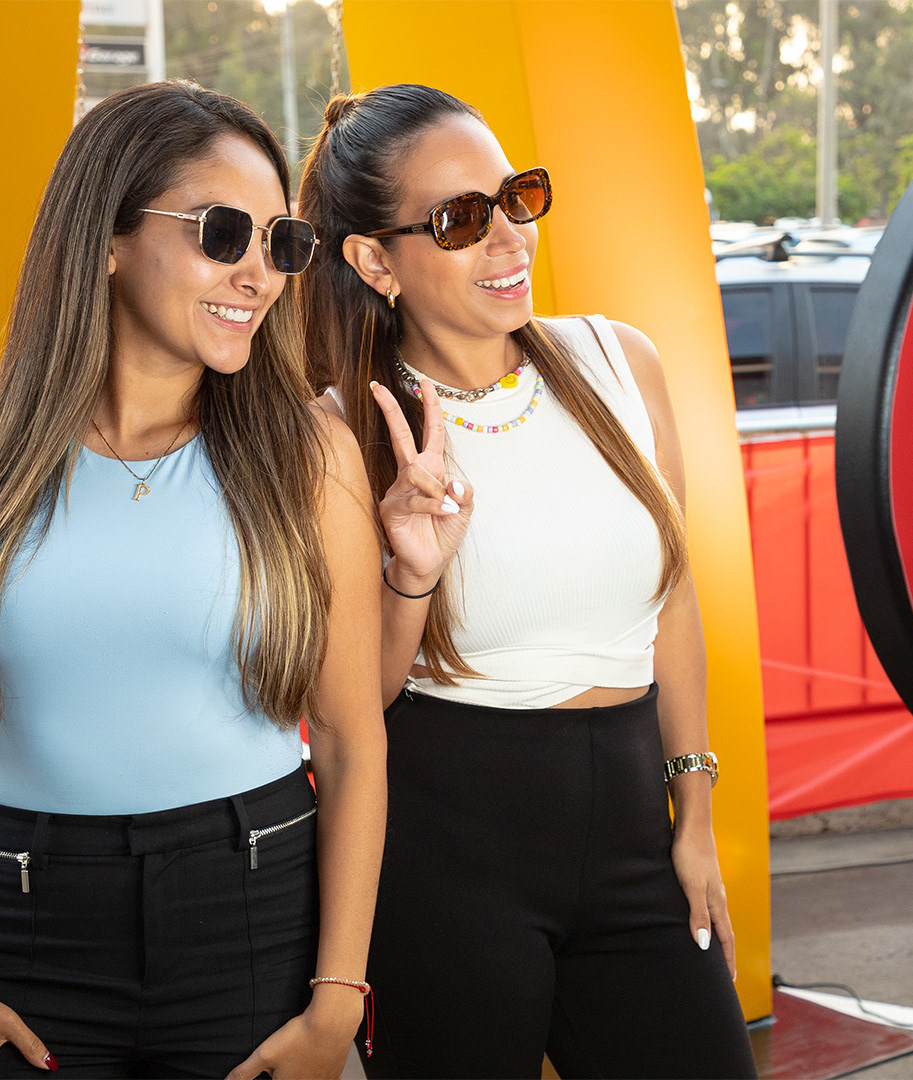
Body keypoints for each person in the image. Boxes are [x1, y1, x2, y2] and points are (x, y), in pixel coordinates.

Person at [296, 84, 757, 1078]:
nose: (508, 237)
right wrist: (413, 576)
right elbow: (351, 705)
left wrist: (694, 817)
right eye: (460, 219)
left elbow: (673, 600)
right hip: (445, 859)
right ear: (374, 262)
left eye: (517, 197)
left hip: (635, 834)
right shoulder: (338, 435)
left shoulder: (620, 360)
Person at [0, 81, 387, 1078]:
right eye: (222, 232)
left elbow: (351, 740)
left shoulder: (309, 455)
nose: (259, 275)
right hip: (18, 922)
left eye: (281, 243)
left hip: (257, 912)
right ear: (106, 237)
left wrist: (337, 999)